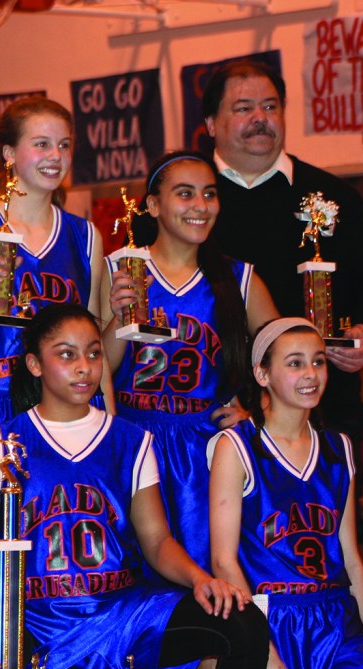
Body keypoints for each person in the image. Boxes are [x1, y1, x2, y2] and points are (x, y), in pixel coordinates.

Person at [0, 303, 270, 669]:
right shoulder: (1, 443)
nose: (85, 366)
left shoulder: (133, 441)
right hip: (40, 625)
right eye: (67, 355)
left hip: (124, 616)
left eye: (93, 353)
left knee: (243, 621)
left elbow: (156, 541)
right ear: (35, 365)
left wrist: (200, 579)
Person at [203, 59, 363, 441]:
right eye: (244, 108)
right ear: (211, 123)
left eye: (271, 106)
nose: (261, 118)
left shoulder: (334, 196)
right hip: (212, 414)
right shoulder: (187, 202)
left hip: (322, 413)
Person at [103, 151, 278, 570]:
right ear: (153, 204)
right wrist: (114, 320)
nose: (201, 206)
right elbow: (93, 371)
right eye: (185, 194)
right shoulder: (116, 269)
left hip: (206, 446)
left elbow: (286, 357)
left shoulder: (239, 278)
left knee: (207, 575)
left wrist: (258, 409)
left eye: (210, 194)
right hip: (133, 437)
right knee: (132, 576)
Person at [210, 318, 363, 669]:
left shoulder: (340, 448)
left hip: (336, 620)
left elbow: (351, 558)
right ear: (262, 374)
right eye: (295, 362)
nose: (311, 373)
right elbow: (224, 562)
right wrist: (263, 648)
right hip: (269, 616)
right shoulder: (236, 447)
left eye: (318, 361)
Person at [0, 95, 104, 430]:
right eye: (42, 144)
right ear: (9, 154)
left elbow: (95, 346)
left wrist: (111, 427)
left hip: (72, 409)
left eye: (63, 145)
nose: (56, 156)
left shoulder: (86, 236)